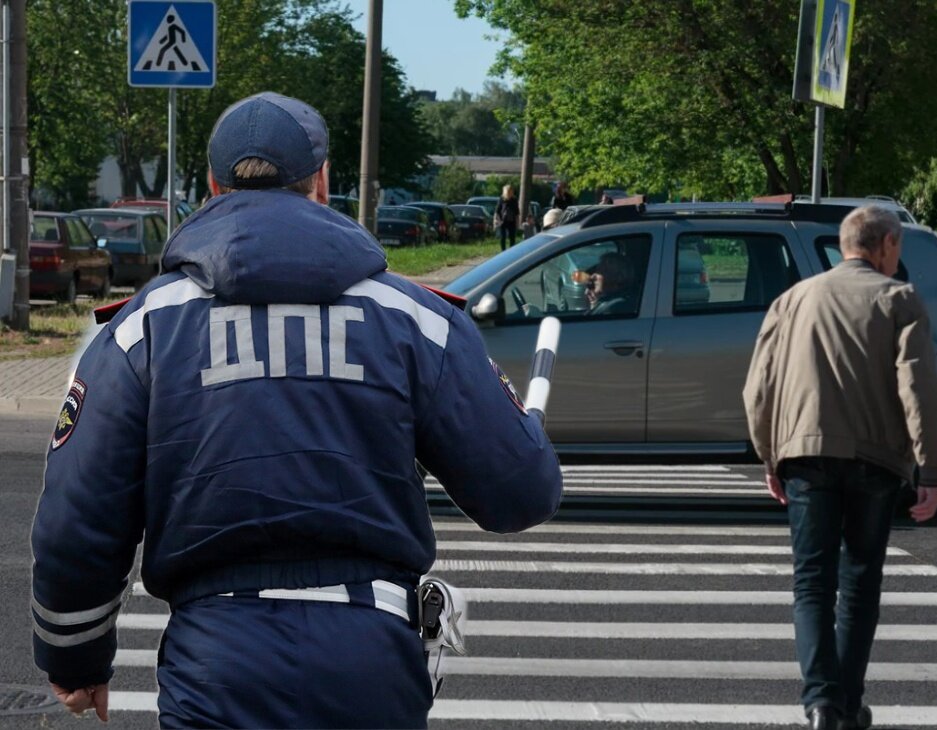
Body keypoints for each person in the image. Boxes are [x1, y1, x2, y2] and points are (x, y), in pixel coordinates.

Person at [29, 91, 563, 729]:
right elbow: (520, 496)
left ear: (211, 185)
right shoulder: (415, 320)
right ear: (323, 181)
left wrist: (77, 658)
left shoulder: (143, 328)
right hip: (368, 659)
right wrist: (525, 435)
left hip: (217, 663)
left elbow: (77, 516)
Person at [742, 205, 937, 730]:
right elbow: (918, 389)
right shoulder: (899, 300)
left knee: (811, 583)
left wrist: (769, 454)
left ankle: (821, 705)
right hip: (876, 461)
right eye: (896, 248)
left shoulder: (792, 299)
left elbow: (757, 388)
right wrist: (930, 470)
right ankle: (848, 704)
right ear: (887, 244)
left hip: (804, 456)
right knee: (859, 583)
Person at [494, 184, 520, 250]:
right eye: (508, 192)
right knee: (503, 237)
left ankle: (511, 251)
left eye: (510, 192)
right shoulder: (501, 199)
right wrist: (496, 221)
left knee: (512, 238)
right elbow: (497, 211)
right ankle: (503, 251)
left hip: (512, 221)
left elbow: (517, 212)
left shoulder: (514, 200)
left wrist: (517, 223)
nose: (509, 193)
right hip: (503, 221)